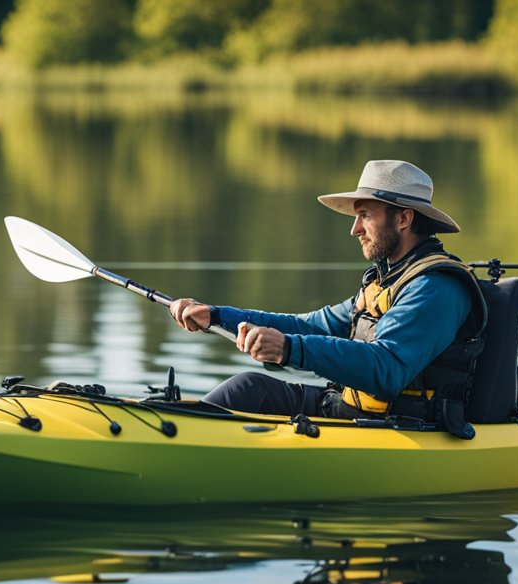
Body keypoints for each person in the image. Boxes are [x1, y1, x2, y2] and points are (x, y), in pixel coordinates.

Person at [169, 159, 487, 432]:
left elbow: (388, 370)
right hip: (351, 410)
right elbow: (312, 326)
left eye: (365, 215)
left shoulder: (435, 288)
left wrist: (288, 349)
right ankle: (175, 428)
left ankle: (175, 438)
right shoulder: (388, 279)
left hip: (403, 427)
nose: (355, 229)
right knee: (248, 387)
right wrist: (216, 316)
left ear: (404, 219)